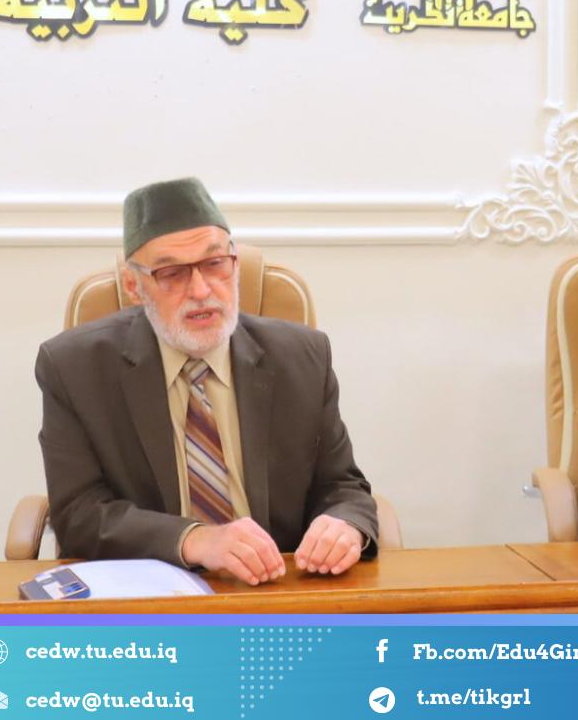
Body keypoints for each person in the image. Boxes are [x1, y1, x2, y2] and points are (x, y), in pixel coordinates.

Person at [36, 177, 378, 584]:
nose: (200, 291)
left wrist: (344, 524)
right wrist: (195, 540)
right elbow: (78, 514)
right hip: (150, 591)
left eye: (215, 265)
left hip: (279, 588)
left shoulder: (303, 357)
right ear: (133, 286)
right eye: (172, 273)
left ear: (234, 265)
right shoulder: (74, 368)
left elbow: (343, 486)